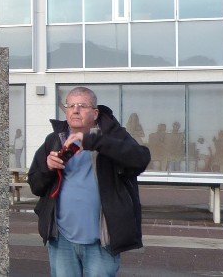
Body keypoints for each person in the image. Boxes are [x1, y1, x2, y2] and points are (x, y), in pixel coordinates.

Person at [27, 87, 151, 276]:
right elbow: (35, 185)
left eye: (82, 106)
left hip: (102, 241)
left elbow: (141, 159)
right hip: (61, 240)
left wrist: (94, 142)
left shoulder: (113, 137)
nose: (75, 110)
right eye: (71, 105)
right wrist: (48, 168)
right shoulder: (54, 140)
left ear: (95, 113)